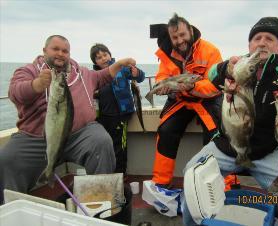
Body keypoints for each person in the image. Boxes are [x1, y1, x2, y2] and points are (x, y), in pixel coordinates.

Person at [182, 17, 278, 225]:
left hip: (267, 150)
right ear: (249, 44)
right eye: (256, 38)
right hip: (227, 145)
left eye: (269, 38)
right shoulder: (238, 64)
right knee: (191, 177)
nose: (262, 42)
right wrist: (224, 69)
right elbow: (211, 73)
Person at [0, 35, 136, 204]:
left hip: (80, 134)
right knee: (6, 160)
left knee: (101, 141)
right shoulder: (29, 71)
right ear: (44, 51)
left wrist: (119, 64)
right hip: (36, 137)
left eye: (65, 51)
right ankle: (11, 209)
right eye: (55, 49)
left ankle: (100, 202)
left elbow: (102, 76)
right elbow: (15, 92)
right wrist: (36, 85)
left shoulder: (81, 72)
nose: (61, 54)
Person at [150, 13, 224, 188]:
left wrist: (192, 87)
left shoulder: (210, 51)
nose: (179, 40)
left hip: (206, 98)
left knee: (217, 134)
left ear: (190, 31)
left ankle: (221, 185)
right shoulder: (167, 53)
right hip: (180, 99)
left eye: (182, 35)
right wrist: (165, 88)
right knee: (166, 130)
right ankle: (160, 183)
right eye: (175, 37)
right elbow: (162, 76)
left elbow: (214, 86)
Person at [90, 43, 145, 174]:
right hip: (102, 116)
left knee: (120, 146)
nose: (103, 58)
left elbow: (141, 77)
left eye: (105, 55)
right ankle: (107, 172)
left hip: (121, 114)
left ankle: (121, 173)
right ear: (94, 62)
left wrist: (136, 72)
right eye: (99, 57)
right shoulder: (94, 75)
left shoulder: (122, 69)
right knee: (105, 145)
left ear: (110, 55)